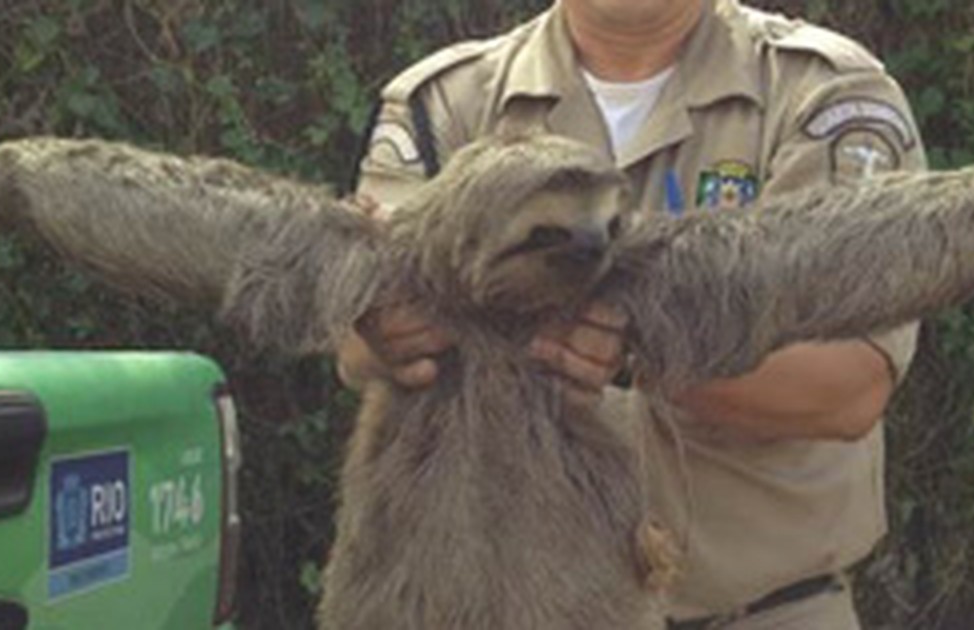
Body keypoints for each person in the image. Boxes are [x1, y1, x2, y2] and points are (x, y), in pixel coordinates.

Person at [338, 0, 924, 627]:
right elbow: (357, 344)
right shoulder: (448, 102)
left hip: (761, 611)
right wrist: (391, 331)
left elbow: (845, 387)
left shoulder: (818, 93)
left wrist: (640, 351)